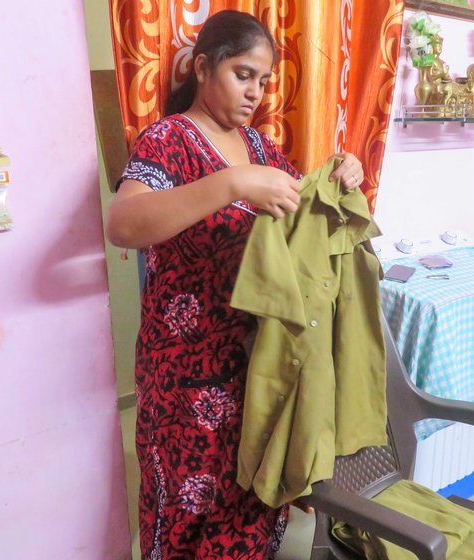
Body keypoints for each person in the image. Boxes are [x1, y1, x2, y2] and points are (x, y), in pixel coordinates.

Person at [106, 10, 364, 559]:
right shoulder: (169, 140)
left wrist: (344, 172)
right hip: (184, 371)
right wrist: (230, 183)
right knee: (186, 506)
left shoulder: (261, 146)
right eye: (243, 74)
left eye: (265, 80)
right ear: (204, 67)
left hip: (254, 362)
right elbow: (123, 224)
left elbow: (297, 217)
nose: (256, 92)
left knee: (248, 495)